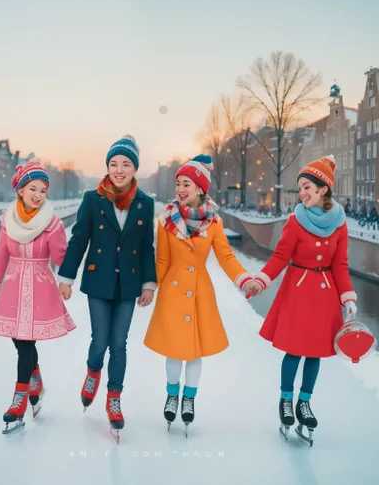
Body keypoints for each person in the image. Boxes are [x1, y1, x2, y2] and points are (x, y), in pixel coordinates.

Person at [245, 155, 358, 444]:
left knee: (315, 352)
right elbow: (281, 256)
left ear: (323, 189)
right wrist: (261, 280)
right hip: (298, 290)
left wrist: (347, 297)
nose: (303, 193)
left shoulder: (340, 224)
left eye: (307, 187)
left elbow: (340, 265)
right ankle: (286, 399)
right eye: (300, 188)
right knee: (294, 350)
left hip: (325, 294)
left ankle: (304, 402)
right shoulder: (295, 221)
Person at [143, 154, 254, 433]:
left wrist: (244, 279)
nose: (180, 189)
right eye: (178, 183)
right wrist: (149, 288)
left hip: (199, 294)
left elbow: (226, 256)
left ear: (200, 189)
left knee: (193, 352)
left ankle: (189, 399)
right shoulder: (166, 221)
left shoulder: (214, 223)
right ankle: (172, 395)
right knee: (173, 350)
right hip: (173, 291)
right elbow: (162, 261)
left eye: (186, 184)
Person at [57, 134, 156, 437]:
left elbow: (146, 247)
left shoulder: (144, 203)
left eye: (126, 164)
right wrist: (66, 277)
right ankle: (92, 371)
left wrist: (149, 284)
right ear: (108, 167)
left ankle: (114, 398)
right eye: (114, 163)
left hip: (128, 284)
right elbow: (79, 240)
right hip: (99, 280)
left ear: (134, 168)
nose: (119, 169)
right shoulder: (92, 198)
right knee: (100, 342)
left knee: (120, 343)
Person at [0, 159, 76, 434]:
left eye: (43, 190)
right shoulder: (9, 221)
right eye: (33, 188)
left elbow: (61, 256)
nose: (38, 195)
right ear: (21, 189)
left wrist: (69, 272)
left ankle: (19, 399)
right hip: (13, 286)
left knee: (24, 342)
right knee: (18, 341)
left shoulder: (52, 223)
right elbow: (1, 256)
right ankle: (37, 381)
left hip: (40, 285)